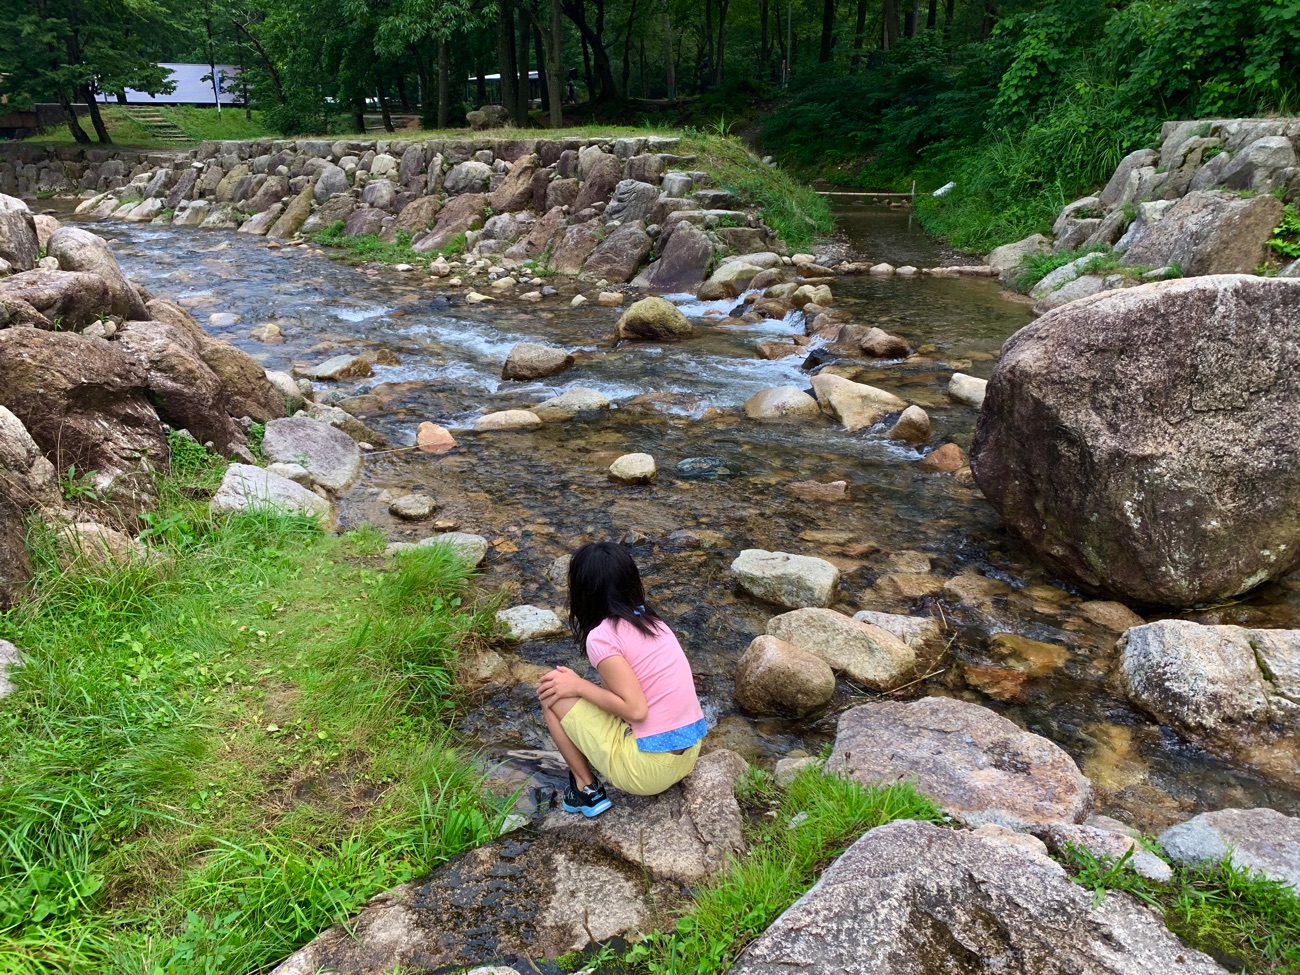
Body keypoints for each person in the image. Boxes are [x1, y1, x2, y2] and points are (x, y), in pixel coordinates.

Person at [537, 541, 707, 817]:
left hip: (648, 771)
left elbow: (636, 710)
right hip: (687, 755)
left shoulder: (602, 635)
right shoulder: (651, 621)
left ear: (583, 591)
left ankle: (586, 789)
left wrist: (578, 685)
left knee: (552, 691)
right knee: (585, 693)